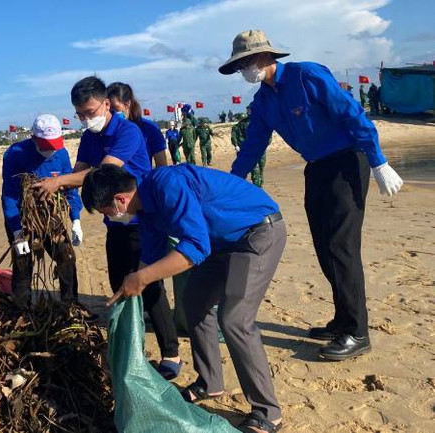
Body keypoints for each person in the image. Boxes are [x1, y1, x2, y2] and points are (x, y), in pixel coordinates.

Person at [220, 30, 404, 362]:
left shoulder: (307, 75)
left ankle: (357, 332)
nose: (244, 70)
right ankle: (342, 320)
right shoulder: (263, 101)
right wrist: (231, 182)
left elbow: (352, 115)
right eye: (239, 66)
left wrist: (378, 161)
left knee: (341, 246)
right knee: (323, 246)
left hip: (348, 162)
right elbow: (252, 147)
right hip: (317, 169)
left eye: (247, 62)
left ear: (266, 56)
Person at [81, 164, 286, 433]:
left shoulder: (168, 186)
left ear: (120, 199)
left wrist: (141, 279)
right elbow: (151, 256)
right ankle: (210, 382)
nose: (109, 217)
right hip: (220, 244)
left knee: (234, 319)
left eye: (107, 212)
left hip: (256, 234)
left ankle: (267, 411)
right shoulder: (145, 210)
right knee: (194, 305)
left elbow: (196, 246)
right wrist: (131, 286)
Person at [32, 76, 181, 379]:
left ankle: (171, 354)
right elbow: (80, 170)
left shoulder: (129, 133)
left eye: (90, 112)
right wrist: (60, 185)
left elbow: (102, 172)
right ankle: (132, 347)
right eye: (80, 115)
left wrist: (60, 181)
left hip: (142, 219)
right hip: (114, 221)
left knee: (149, 286)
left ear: (106, 104)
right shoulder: (88, 137)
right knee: (118, 284)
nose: (87, 120)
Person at [1, 114, 84, 308]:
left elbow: (69, 187)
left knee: (66, 257)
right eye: (47, 145)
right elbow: (10, 195)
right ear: (34, 138)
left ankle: (70, 305)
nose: (51, 150)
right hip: (23, 217)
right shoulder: (15, 154)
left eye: (55, 144)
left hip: (51, 215)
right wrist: (17, 232)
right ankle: (23, 310)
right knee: (23, 262)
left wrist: (76, 220)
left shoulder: (61, 153)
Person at [107, 82, 169, 167]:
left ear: (128, 103)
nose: (112, 113)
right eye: (109, 109)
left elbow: (162, 166)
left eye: (115, 108)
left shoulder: (149, 129)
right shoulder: (105, 132)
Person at [231, 106, 268, 187]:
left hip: (260, 149)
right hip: (247, 150)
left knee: (261, 167)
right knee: (254, 169)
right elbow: (235, 137)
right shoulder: (238, 126)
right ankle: (256, 188)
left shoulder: (259, 122)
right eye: (248, 110)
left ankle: (260, 185)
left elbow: (266, 135)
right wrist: (237, 145)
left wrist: (265, 143)